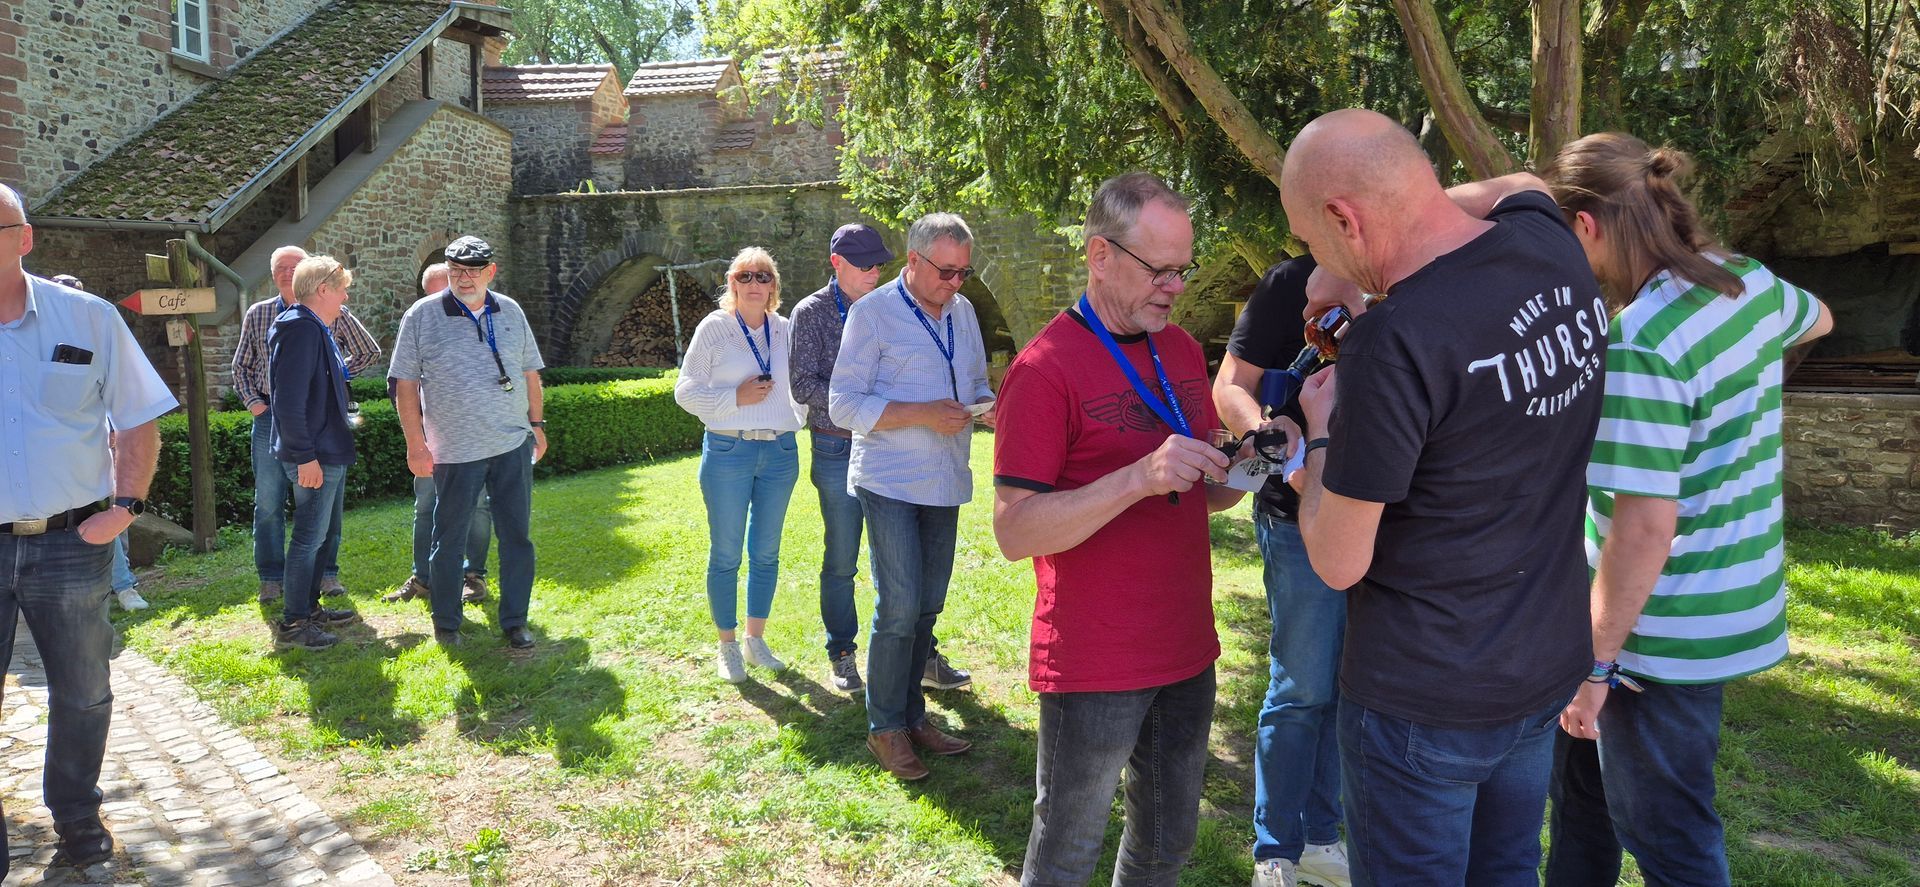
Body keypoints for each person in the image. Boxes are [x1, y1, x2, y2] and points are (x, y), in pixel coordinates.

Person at [1280, 109, 1606, 885]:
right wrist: (1388, 219)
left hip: (1424, 697)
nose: (1314, 261)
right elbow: (1521, 182)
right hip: (1540, 665)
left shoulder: (1392, 343)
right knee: (1508, 869)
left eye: (1311, 241)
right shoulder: (1548, 244)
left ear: (1344, 219)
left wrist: (1318, 436)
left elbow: (1337, 558)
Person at [1538, 134, 1833, 887]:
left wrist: (1596, 665)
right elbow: (1819, 319)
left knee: (1668, 835)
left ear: (1586, 227)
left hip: (1655, 634)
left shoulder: (1641, 341)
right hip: (1727, 601)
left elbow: (1643, 527)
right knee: (1585, 805)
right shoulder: (1748, 284)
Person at [993, 172, 1238, 886]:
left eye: (1182, 268)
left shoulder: (1181, 349)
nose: (1176, 287)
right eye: (1159, 269)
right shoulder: (1044, 370)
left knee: (1167, 843)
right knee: (1067, 853)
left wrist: (1254, 462)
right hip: (1096, 657)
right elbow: (1014, 532)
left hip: (1186, 645)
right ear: (1100, 256)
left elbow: (1205, 496)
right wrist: (1137, 477)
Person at [0, 183, 177, 873]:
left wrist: (124, 508)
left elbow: (137, 415)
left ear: (25, 238)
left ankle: (76, 812)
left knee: (82, 692)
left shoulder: (88, 318)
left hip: (70, 543)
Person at [828, 212, 994, 781]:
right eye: (946, 271)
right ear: (914, 261)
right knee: (898, 607)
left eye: (964, 273)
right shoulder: (872, 314)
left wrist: (987, 405)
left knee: (926, 606)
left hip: (944, 478)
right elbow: (842, 405)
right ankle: (884, 729)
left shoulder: (963, 312)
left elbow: (974, 383)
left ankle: (913, 717)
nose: (955, 283)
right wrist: (922, 414)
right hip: (890, 480)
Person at [1212, 254, 1350, 887]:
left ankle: (1322, 838)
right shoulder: (1290, 282)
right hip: (1296, 518)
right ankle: (1277, 849)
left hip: (1384, 521)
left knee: (1347, 689)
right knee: (1303, 686)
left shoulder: (1413, 272)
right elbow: (1230, 386)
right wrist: (1272, 437)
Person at [789, 223, 972, 693]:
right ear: (837, 264)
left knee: (908, 583)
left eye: (878, 263)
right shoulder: (815, 312)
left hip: (907, 451)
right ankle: (843, 653)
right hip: (838, 445)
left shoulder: (931, 308)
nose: (874, 271)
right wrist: (876, 410)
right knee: (844, 559)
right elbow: (806, 387)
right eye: (864, 264)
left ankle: (920, 660)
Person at [389, 235, 546, 650]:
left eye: (474, 270)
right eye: (456, 270)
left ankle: (515, 622)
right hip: (454, 451)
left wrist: (537, 424)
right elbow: (405, 385)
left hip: (511, 445)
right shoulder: (422, 315)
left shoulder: (511, 310)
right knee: (448, 539)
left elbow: (530, 373)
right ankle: (447, 624)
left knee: (517, 538)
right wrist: (416, 444)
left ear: (490, 272)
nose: (464, 278)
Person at [674, 247, 805, 682]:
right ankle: (727, 645)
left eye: (762, 276)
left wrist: (797, 417)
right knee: (726, 552)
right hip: (729, 451)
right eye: (745, 276)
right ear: (732, 283)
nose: (754, 284)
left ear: (773, 286)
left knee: (766, 552)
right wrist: (735, 398)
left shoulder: (785, 329)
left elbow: (804, 382)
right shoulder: (715, 328)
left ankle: (755, 640)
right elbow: (685, 391)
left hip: (780, 453)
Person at [232, 245, 380, 603]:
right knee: (272, 505)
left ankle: (321, 580)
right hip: (277, 420)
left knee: (321, 512)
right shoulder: (282, 320)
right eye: (280, 268)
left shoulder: (328, 314)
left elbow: (368, 351)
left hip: (313, 422)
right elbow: (247, 370)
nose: (287, 273)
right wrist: (256, 405)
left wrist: (333, 375)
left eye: (294, 266)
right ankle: (279, 587)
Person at [267, 255, 364, 650]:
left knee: (320, 536)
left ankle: (308, 609)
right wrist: (305, 456)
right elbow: (288, 402)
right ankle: (294, 623)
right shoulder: (301, 329)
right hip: (315, 455)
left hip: (325, 451)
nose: (345, 297)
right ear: (323, 290)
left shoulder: (311, 326)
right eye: (341, 290)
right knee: (309, 538)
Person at [385, 262, 494, 606]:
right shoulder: (417, 324)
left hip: (475, 438)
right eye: (432, 295)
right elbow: (398, 385)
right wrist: (417, 437)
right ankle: (423, 578)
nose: (440, 302)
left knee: (477, 506)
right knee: (426, 507)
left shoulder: (483, 324)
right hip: (430, 439)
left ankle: (473, 576)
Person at [51, 274, 150, 612]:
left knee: (113, 518)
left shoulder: (99, 330)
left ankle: (123, 587)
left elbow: (117, 396)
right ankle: (119, 587)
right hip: (61, 454)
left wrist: (113, 430)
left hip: (99, 449)